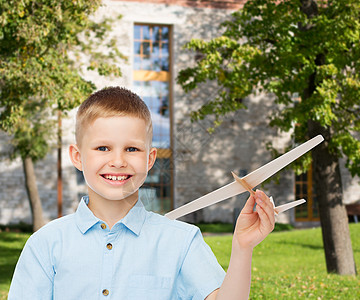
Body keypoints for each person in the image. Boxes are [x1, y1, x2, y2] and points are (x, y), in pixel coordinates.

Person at [8, 87, 275, 300]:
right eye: (102, 148)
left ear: (150, 159)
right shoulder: (45, 245)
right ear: (77, 157)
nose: (118, 161)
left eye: (132, 149)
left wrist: (242, 248)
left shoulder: (181, 242)